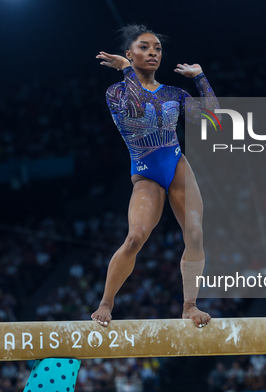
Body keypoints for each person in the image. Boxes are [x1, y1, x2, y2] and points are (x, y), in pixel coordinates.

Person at [91, 24, 219, 328]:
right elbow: (136, 110)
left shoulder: (174, 93)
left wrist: (200, 77)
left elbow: (214, 120)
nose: (153, 52)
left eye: (157, 48)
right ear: (128, 54)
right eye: (145, 47)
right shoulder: (116, 92)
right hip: (146, 174)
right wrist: (125, 71)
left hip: (175, 165)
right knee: (135, 238)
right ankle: (106, 304)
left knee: (196, 233)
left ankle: (190, 306)